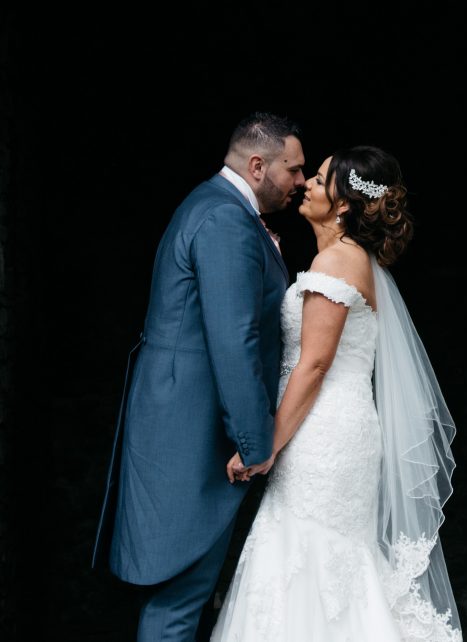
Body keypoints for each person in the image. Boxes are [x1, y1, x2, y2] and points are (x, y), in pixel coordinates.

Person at [210, 146, 463, 642]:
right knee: (326, 557)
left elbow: (315, 365)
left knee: (309, 552)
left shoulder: (334, 262)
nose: (306, 183)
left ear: (343, 203)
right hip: (337, 428)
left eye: (320, 179)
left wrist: (266, 447)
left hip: (323, 436)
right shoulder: (353, 260)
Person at [95, 113, 308, 642]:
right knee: (179, 598)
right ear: (257, 166)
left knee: (184, 595)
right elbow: (234, 340)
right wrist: (255, 442)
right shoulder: (225, 220)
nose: (301, 181)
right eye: (293, 169)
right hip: (191, 434)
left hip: (183, 423)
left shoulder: (214, 206)